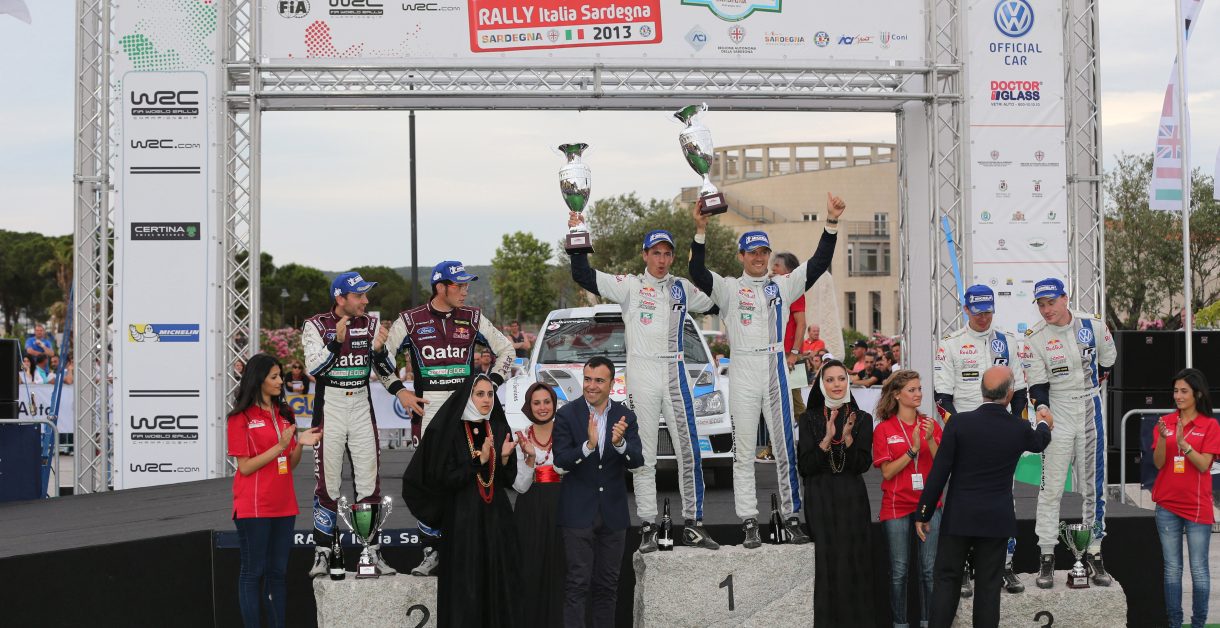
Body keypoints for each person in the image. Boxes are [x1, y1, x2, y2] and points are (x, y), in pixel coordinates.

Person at [688, 192, 845, 547]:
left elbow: (819, 263)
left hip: (775, 367)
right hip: (743, 367)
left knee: (785, 448)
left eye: (763, 253)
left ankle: (791, 518)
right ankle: (748, 521)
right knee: (743, 450)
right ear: (741, 256)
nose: (759, 258)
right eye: (752, 253)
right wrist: (700, 231)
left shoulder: (783, 285)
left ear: (769, 257)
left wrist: (831, 223)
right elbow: (696, 272)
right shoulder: (728, 289)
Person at [567, 213, 719, 551]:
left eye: (667, 254)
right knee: (643, 454)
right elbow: (583, 275)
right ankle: (649, 526)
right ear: (644, 255)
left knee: (690, 452)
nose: (661, 260)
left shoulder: (682, 287)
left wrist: (700, 236)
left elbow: (715, 298)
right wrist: (577, 233)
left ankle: (693, 524)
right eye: (656, 253)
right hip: (642, 371)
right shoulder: (630, 285)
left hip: (675, 370)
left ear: (673, 257)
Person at [374, 260, 515, 576]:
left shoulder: (473, 317)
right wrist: (400, 391)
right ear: (440, 287)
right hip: (430, 409)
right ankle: (431, 549)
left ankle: (469, 544)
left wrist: (489, 384)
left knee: (474, 473)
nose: (465, 291)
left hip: (467, 411)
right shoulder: (410, 320)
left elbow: (507, 351)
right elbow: (380, 359)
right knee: (431, 480)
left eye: (466, 285)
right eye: (459, 285)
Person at [914, 366, 1052, 628]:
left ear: (982, 392)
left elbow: (940, 471)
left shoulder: (959, 423)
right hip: (995, 519)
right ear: (1009, 395)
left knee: (946, 581)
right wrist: (1044, 422)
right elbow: (1039, 442)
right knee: (988, 587)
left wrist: (924, 512)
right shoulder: (1019, 427)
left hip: (959, 516)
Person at [401, 374, 523, 627]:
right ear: (468, 397)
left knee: (498, 584)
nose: (486, 400)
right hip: (463, 521)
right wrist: (478, 461)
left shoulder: (498, 427)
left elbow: (505, 480)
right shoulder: (451, 431)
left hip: (496, 521)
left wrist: (503, 459)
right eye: (480, 394)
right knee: (466, 588)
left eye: (490, 394)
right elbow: (444, 479)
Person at [932, 284, 1029, 594]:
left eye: (988, 311)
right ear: (966, 310)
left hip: (1000, 436)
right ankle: (962, 567)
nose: (983, 317)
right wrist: (959, 431)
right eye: (978, 312)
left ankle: (1005, 565)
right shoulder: (951, 344)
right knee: (960, 500)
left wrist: (1015, 429)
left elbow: (1020, 391)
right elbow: (941, 397)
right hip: (966, 435)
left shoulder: (1007, 341)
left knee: (1005, 499)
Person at [1022, 277, 1117, 588]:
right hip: (1057, 412)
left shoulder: (1094, 325)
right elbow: (1037, 385)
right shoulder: (1035, 337)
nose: (1046, 309)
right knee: (1051, 488)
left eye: (1051, 302)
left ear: (1065, 298)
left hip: (1090, 408)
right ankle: (1046, 555)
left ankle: (1094, 551)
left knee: (1093, 486)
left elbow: (1107, 363)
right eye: (1041, 304)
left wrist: (1092, 386)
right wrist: (1042, 408)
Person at [302, 271, 398, 578]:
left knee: (369, 483)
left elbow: (387, 370)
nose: (366, 301)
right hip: (329, 405)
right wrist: (336, 342)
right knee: (328, 484)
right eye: (359, 295)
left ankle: (371, 553)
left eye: (366, 294)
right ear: (340, 298)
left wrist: (380, 352)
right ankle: (323, 553)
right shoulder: (316, 325)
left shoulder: (371, 324)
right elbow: (314, 368)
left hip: (360, 403)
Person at [226, 353, 322, 628]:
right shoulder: (240, 418)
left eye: (280, 376)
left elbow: (289, 464)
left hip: (284, 505)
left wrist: (299, 443)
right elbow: (245, 467)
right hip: (254, 506)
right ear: (259, 380)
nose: (281, 381)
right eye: (275, 377)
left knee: (277, 573)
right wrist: (279, 446)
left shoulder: (284, 414)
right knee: (253, 572)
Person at [553, 357, 643, 628]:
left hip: (613, 516)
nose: (591, 386)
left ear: (611, 384)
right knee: (577, 584)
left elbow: (637, 461)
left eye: (599, 380)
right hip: (577, 514)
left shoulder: (626, 417)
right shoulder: (567, 414)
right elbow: (560, 462)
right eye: (588, 379)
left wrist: (620, 444)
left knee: (608, 586)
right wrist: (588, 447)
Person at [797, 359, 875, 627]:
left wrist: (848, 438)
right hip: (820, 499)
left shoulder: (862, 418)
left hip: (852, 499)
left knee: (855, 563)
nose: (837, 384)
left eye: (841, 378)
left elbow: (861, 465)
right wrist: (827, 439)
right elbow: (805, 467)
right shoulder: (808, 418)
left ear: (848, 381)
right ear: (821, 384)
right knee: (827, 565)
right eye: (830, 380)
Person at [873, 370, 942, 628]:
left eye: (919, 389)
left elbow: (942, 467)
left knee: (929, 570)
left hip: (929, 504)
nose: (918, 394)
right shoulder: (884, 429)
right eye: (912, 390)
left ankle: (928, 623)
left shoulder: (930, 425)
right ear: (896, 394)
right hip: (896, 505)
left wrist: (929, 441)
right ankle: (900, 624)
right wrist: (913, 450)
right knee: (899, 571)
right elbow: (887, 472)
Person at [1152, 368, 1219, 628]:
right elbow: (1159, 464)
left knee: (1199, 569)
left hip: (1197, 506)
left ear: (1197, 394)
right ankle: (1175, 623)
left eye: (1184, 391)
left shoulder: (1210, 425)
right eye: (1175, 391)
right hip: (1167, 505)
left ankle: (1198, 624)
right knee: (1172, 568)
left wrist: (1185, 445)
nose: (1178, 396)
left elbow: (1203, 465)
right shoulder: (1165, 422)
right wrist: (1163, 440)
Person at [512, 382, 565, 627]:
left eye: (547, 401)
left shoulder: (566, 434)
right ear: (528, 406)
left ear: (554, 404)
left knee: (561, 570)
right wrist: (531, 459)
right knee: (530, 570)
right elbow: (520, 486)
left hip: (563, 507)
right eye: (536, 402)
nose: (542, 407)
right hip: (530, 510)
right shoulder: (521, 436)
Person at [772, 251, 810, 419]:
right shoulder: (773, 290)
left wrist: (794, 354)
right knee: (776, 400)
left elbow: (801, 324)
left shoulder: (795, 291)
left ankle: (807, 435)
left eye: (776, 265)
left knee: (796, 402)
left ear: (789, 271)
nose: (772, 268)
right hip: (777, 353)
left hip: (791, 355)